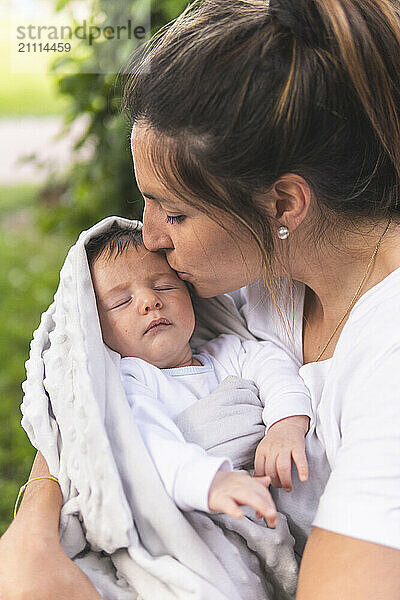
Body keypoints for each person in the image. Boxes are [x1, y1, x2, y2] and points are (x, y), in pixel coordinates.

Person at [1, 0, 400, 599]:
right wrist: (33, 539)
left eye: (177, 212)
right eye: (148, 202)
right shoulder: (246, 274)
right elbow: (97, 388)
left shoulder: (387, 356)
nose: (152, 239)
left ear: (284, 205)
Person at [86, 221, 311, 523]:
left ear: (192, 298)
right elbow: (146, 441)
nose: (149, 301)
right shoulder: (131, 381)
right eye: (121, 301)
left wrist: (286, 425)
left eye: (164, 286)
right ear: (97, 330)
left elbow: (277, 370)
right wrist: (209, 481)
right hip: (201, 507)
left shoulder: (230, 352)